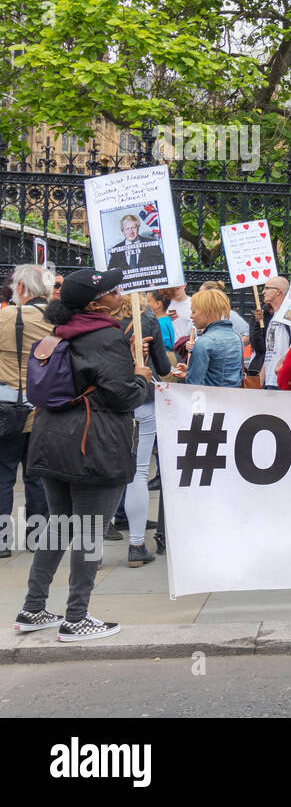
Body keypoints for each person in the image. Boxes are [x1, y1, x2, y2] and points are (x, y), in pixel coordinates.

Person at [15, 268, 152, 641]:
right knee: (89, 531)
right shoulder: (106, 336)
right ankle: (76, 618)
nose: (120, 292)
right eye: (113, 290)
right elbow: (123, 396)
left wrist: (127, 363)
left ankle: (33, 608)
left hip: (52, 439)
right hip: (93, 445)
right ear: (96, 304)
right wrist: (140, 375)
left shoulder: (61, 331)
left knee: (59, 526)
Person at [113, 289, 171, 567]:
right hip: (142, 400)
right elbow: (161, 364)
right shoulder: (148, 318)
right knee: (137, 470)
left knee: (104, 471)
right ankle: (136, 545)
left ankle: (94, 551)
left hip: (107, 400)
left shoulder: (100, 319)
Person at [0, 265, 53, 558]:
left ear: (22, 288)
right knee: (36, 475)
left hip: (5, 407)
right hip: (42, 408)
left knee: (3, 474)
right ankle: (38, 537)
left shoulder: (5, 316)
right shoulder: (55, 320)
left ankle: (1, 541)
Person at [174, 288, 244, 387]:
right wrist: (190, 371)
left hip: (209, 399)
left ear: (206, 312)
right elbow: (234, 375)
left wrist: (191, 373)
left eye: (193, 312)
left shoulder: (204, 342)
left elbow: (194, 383)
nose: (191, 316)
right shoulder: (236, 336)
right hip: (232, 398)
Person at [252, 276, 291, 389]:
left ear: (278, 291)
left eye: (266, 288)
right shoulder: (273, 317)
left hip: (281, 381)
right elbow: (270, 350)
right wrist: (262, 377)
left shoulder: (289, 317)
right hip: (270, 381)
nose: (263, 292)